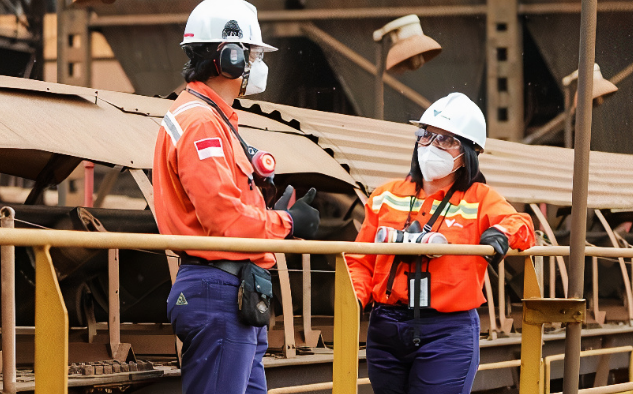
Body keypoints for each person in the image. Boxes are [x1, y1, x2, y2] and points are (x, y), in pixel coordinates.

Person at [152, 0, 320, 392]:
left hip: (232, 291)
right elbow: (223, 219)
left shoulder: (211, 118)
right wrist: (288, 223)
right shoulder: (202, 124)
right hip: (219, 292)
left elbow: (225, 204)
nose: (257, 64)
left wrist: (265, 212)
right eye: (254, 53)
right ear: (228, 57)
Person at [346, 93, 535, 393]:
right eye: (426, 136)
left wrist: (501, 233)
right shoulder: (386, 195)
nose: (432, 146)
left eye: (446, 141)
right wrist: (353, 301)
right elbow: (359, 260)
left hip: (447, 332)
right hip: (385, 328)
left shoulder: (479, 198)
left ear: (467, 155)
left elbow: (522, 225)